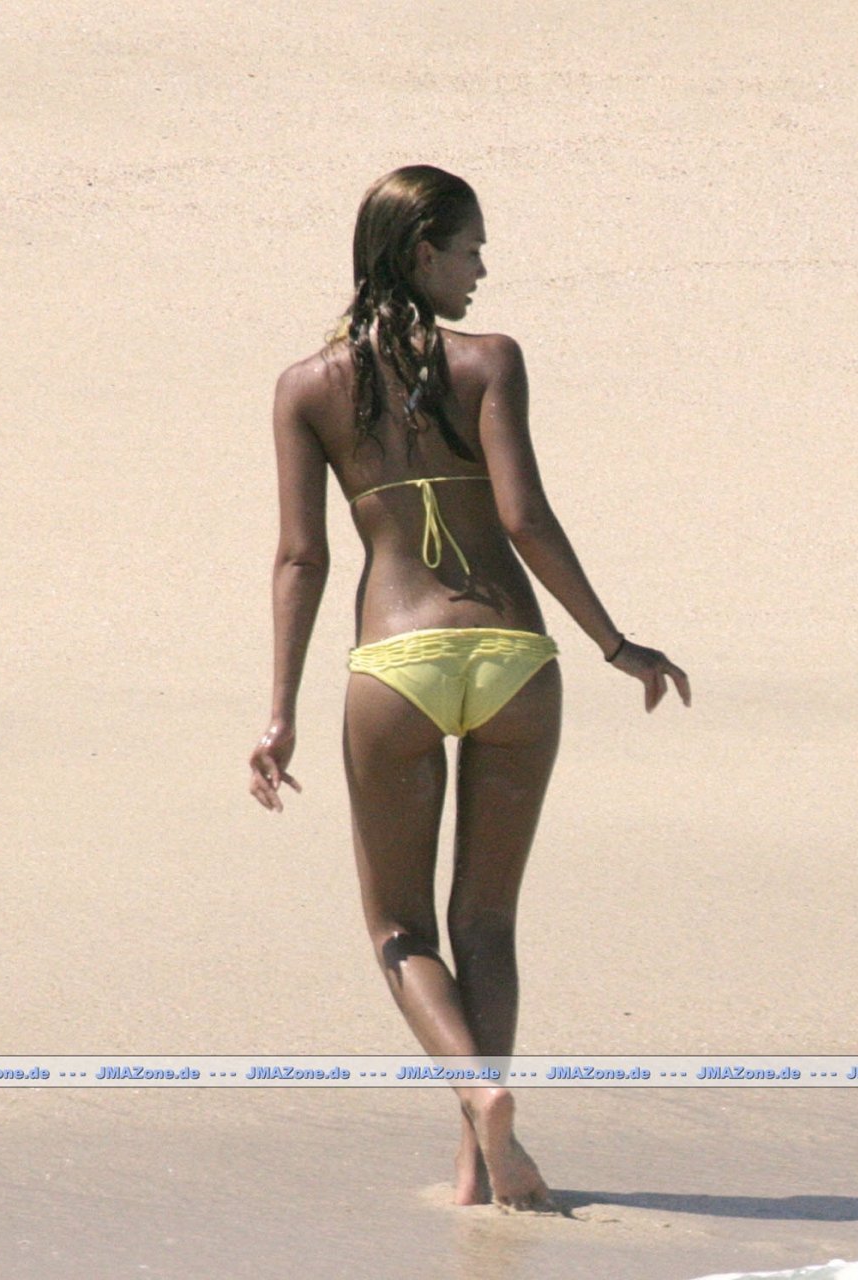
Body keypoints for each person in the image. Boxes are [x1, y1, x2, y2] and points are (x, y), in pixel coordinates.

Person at [249, 164, 691, 1211]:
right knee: (485, 921)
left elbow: (302, 558)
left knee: (399, 929)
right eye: (470, 248)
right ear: (421, 253)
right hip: (512, 659)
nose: (483, 268)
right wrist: (614, 644)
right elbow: (525, 518)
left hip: (394, 668)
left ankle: (479, 1107)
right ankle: (484, 1148)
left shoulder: (306, 388)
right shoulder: (491, 361)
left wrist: (280, 713)